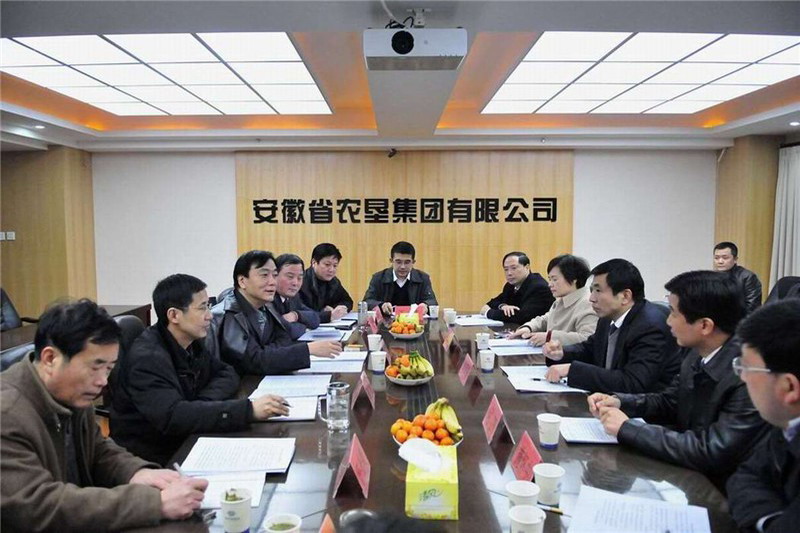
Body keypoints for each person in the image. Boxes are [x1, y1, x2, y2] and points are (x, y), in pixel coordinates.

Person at [1, 299, 209, 531]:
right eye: (95, 367)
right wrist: (153, 503)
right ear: (51, 359)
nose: (103, 381)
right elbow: (36, 506)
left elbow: (98, 450)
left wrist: (136, 472)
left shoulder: (70, 392)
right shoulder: (7, 414)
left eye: (108, 369)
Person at [587, 271, 768, 488]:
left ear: (705, 326)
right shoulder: (696, 353)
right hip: (689, 477)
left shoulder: (748, 375)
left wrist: (628, 428)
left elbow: (711, 450)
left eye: (673, 313)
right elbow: (670, 401)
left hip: (722, 490)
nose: (668, 321)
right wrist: (620, 401)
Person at [111, 274, 289, 465]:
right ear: (174, 315)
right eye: (202, 307)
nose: (209, 315)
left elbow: (226, 372)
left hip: (188, 436)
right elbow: (173, 418)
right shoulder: (148, 358)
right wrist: (248, 410)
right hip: (155, 457)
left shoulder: (190, 341)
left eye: (208, 306)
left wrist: (201, 404)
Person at [543, 258, 680, 393]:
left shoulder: (650, 326)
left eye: (598, 291)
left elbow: (633, 382)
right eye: (592, 290)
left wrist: (572, 370)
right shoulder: (608, 317)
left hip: (645, 405)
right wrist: (561, 353)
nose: (591, 298)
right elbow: (591, 349)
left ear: (625, 296)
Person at [727, 299, 800, 533]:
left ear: (789, 387)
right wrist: (771, 520)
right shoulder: (787, 423)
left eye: (747, 368)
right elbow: (745, 477)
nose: (742, 377)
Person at [209, 250, 340, 376]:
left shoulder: (265, 306)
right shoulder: (229, 313)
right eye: (264, 275)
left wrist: (267, 352)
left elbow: (284, 338)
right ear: (242, 281)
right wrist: (308, 350)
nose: (272, 282)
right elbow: (252, 361)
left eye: (274, 275)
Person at [510, 254, 598, 346]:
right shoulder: (562, 299)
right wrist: (528, 328)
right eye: (550, 279)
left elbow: (587, 338)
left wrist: (549, 337)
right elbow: (546, 319)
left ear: (573, 279)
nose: (550, 284)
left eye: (554, 279)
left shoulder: (588, 303)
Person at [364, 241, 438, 316]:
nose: (403, 267)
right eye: (398, 262)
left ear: (413, 262)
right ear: (391, 261)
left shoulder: (423, 278)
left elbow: (432, 302)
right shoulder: (378, 278)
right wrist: (381, 305)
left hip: (414, 321)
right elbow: (367, 302)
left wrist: (425, 305)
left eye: (407, 262)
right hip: (387, 321)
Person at [480, 252, 554, 325]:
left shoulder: (539, 287)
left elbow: (521, 317)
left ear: (527, 267)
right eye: (506, 269)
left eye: (514, 268)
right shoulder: (510, 286)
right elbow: (493, 302)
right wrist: (503, 306)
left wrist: (488, 312)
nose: (509, 273)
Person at [300, 243, 354, 323]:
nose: (331, 270)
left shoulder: (334, 281)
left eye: (335, 266)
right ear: (314, 262)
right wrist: (327, 315)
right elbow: (301, 314)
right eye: (327, 265)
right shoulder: (301, 282)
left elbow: (347, 301)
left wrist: (336, 309)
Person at [273, 253, 321, 340]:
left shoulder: (293, 297)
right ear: (275, 276)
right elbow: (284, 332)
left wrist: (296, 315)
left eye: (299, 278)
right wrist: (304, 326)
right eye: (290, 277)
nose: (295, 283)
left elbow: (315, 318)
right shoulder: (268, 299)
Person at [713, 241, 762, 314]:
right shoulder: (711, 277)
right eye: (716, 258)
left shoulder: (747, 277)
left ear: (735, 259)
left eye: (725, 258)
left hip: (740, 318)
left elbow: (752, 308)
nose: (720, 261)